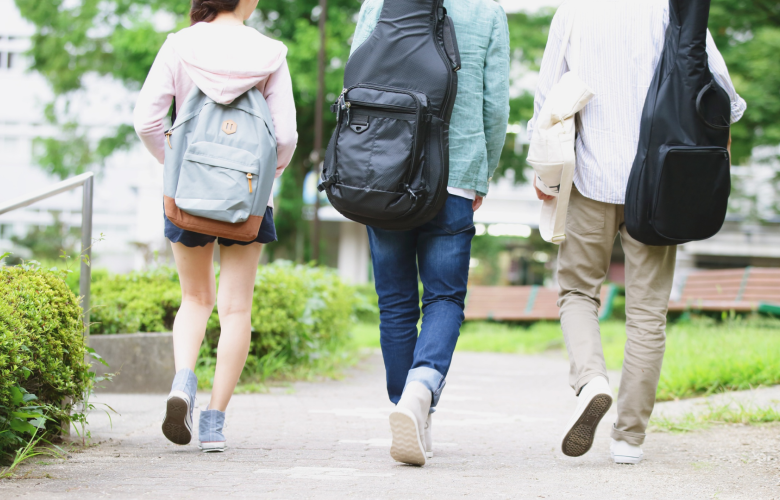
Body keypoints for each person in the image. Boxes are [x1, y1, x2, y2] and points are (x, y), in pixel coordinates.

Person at [528, 0, 745, 464]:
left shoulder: (573, 13)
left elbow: (548, 99)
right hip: (662, 183)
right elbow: (723, 95)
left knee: (578, 293)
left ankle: (592, 381)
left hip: (589, 178)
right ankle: (628, 439)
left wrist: (545, 172)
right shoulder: (670, 9)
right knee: (647, 313)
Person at [351, 0, 510, 466]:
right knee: (443, 298)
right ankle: (421, 393)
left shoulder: (379, 3)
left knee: (395, 302)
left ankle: (408, 404)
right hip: (454, 173)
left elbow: (357, 75)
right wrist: (483, 170)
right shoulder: (487, 11)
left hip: (385, 171)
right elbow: (494, 102)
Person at [133, 0, 297, 452]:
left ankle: (183, 382)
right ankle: (214, 423)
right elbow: (285, 137)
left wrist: (180, 168)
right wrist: (266, 176)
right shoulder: (270, 52)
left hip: (187, 194)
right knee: (236, 309)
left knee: (195, 298)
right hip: (248, 198)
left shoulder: (179, 45)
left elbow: (146, 120)